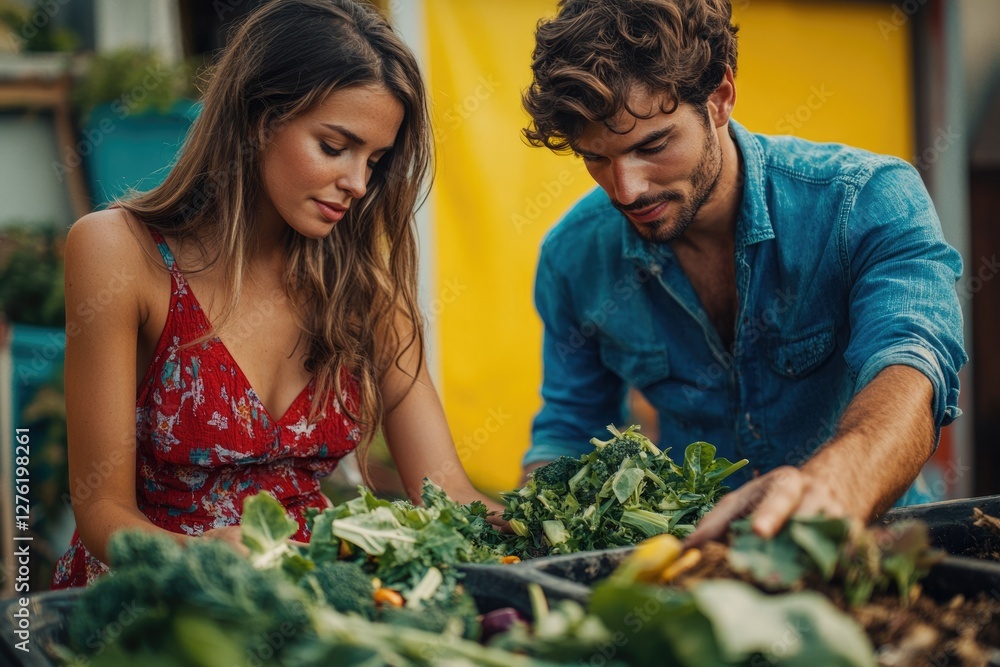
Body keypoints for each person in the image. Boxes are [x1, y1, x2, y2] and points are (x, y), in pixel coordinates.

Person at [52, 0, 499, 589]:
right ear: (258, 118)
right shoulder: (120, 252)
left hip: (307, 605)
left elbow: (448, 495)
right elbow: (102, 513)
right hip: (155, 603)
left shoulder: (363, 285)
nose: (359, 184)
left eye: (376, 160)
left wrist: (566, 525)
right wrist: (199, 555)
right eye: (335, 147)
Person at [518, 0, 966, 545]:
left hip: (874, 543)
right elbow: (569, 430)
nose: (627, 189)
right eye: (596, 158)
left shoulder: (865, 201)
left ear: (721, 97)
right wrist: (534, 527)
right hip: (700, 562)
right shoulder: (573, 256)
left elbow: (912, 366)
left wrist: (831, 487)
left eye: (653, 145)